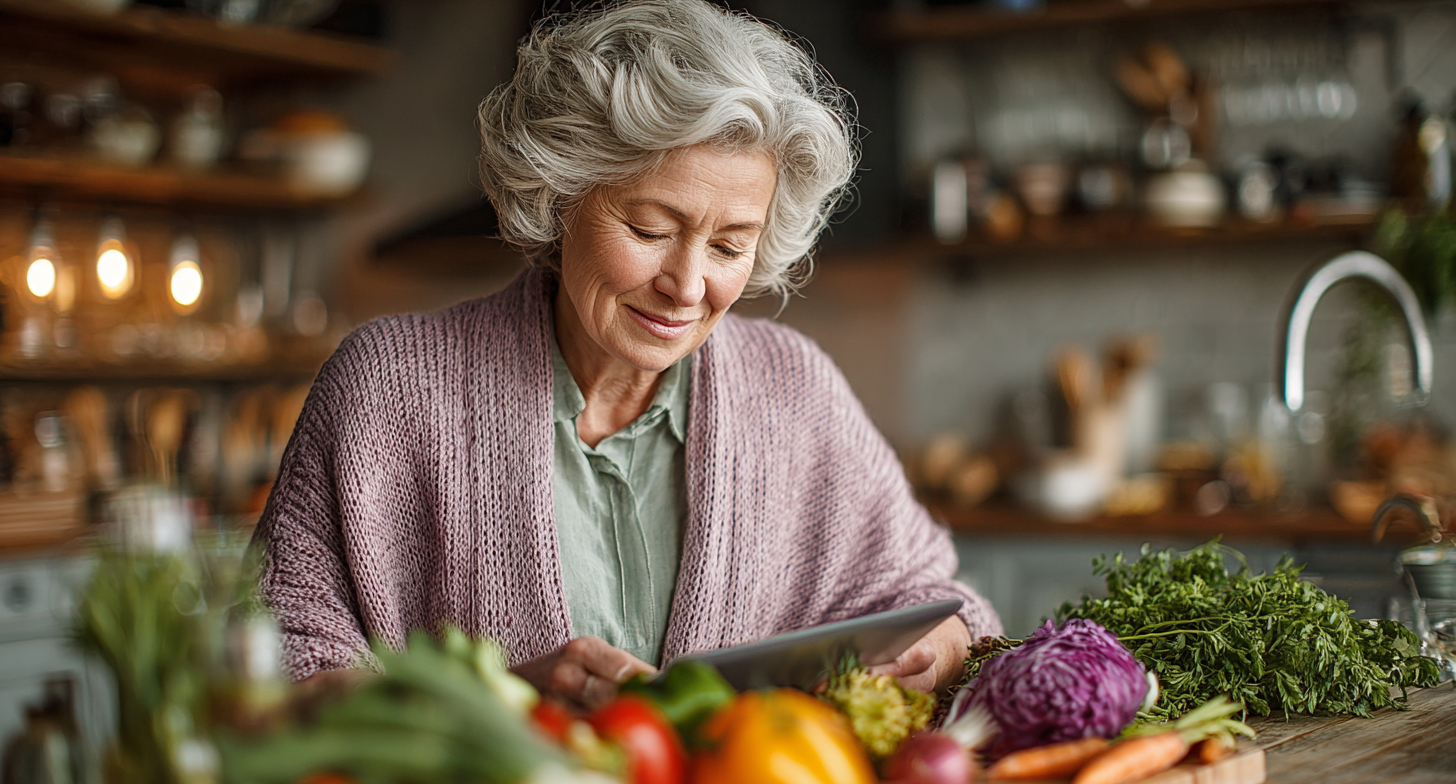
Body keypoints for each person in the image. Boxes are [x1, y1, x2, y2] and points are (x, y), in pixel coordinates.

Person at [256, 0, 1001, 710]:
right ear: (561, 195)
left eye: (730, 246)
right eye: (648, 229)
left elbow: (936, 599)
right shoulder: (387, 387)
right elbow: (270, 664)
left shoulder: (794, 387)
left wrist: (943, 642)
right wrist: (500, 702)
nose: (686, 285)